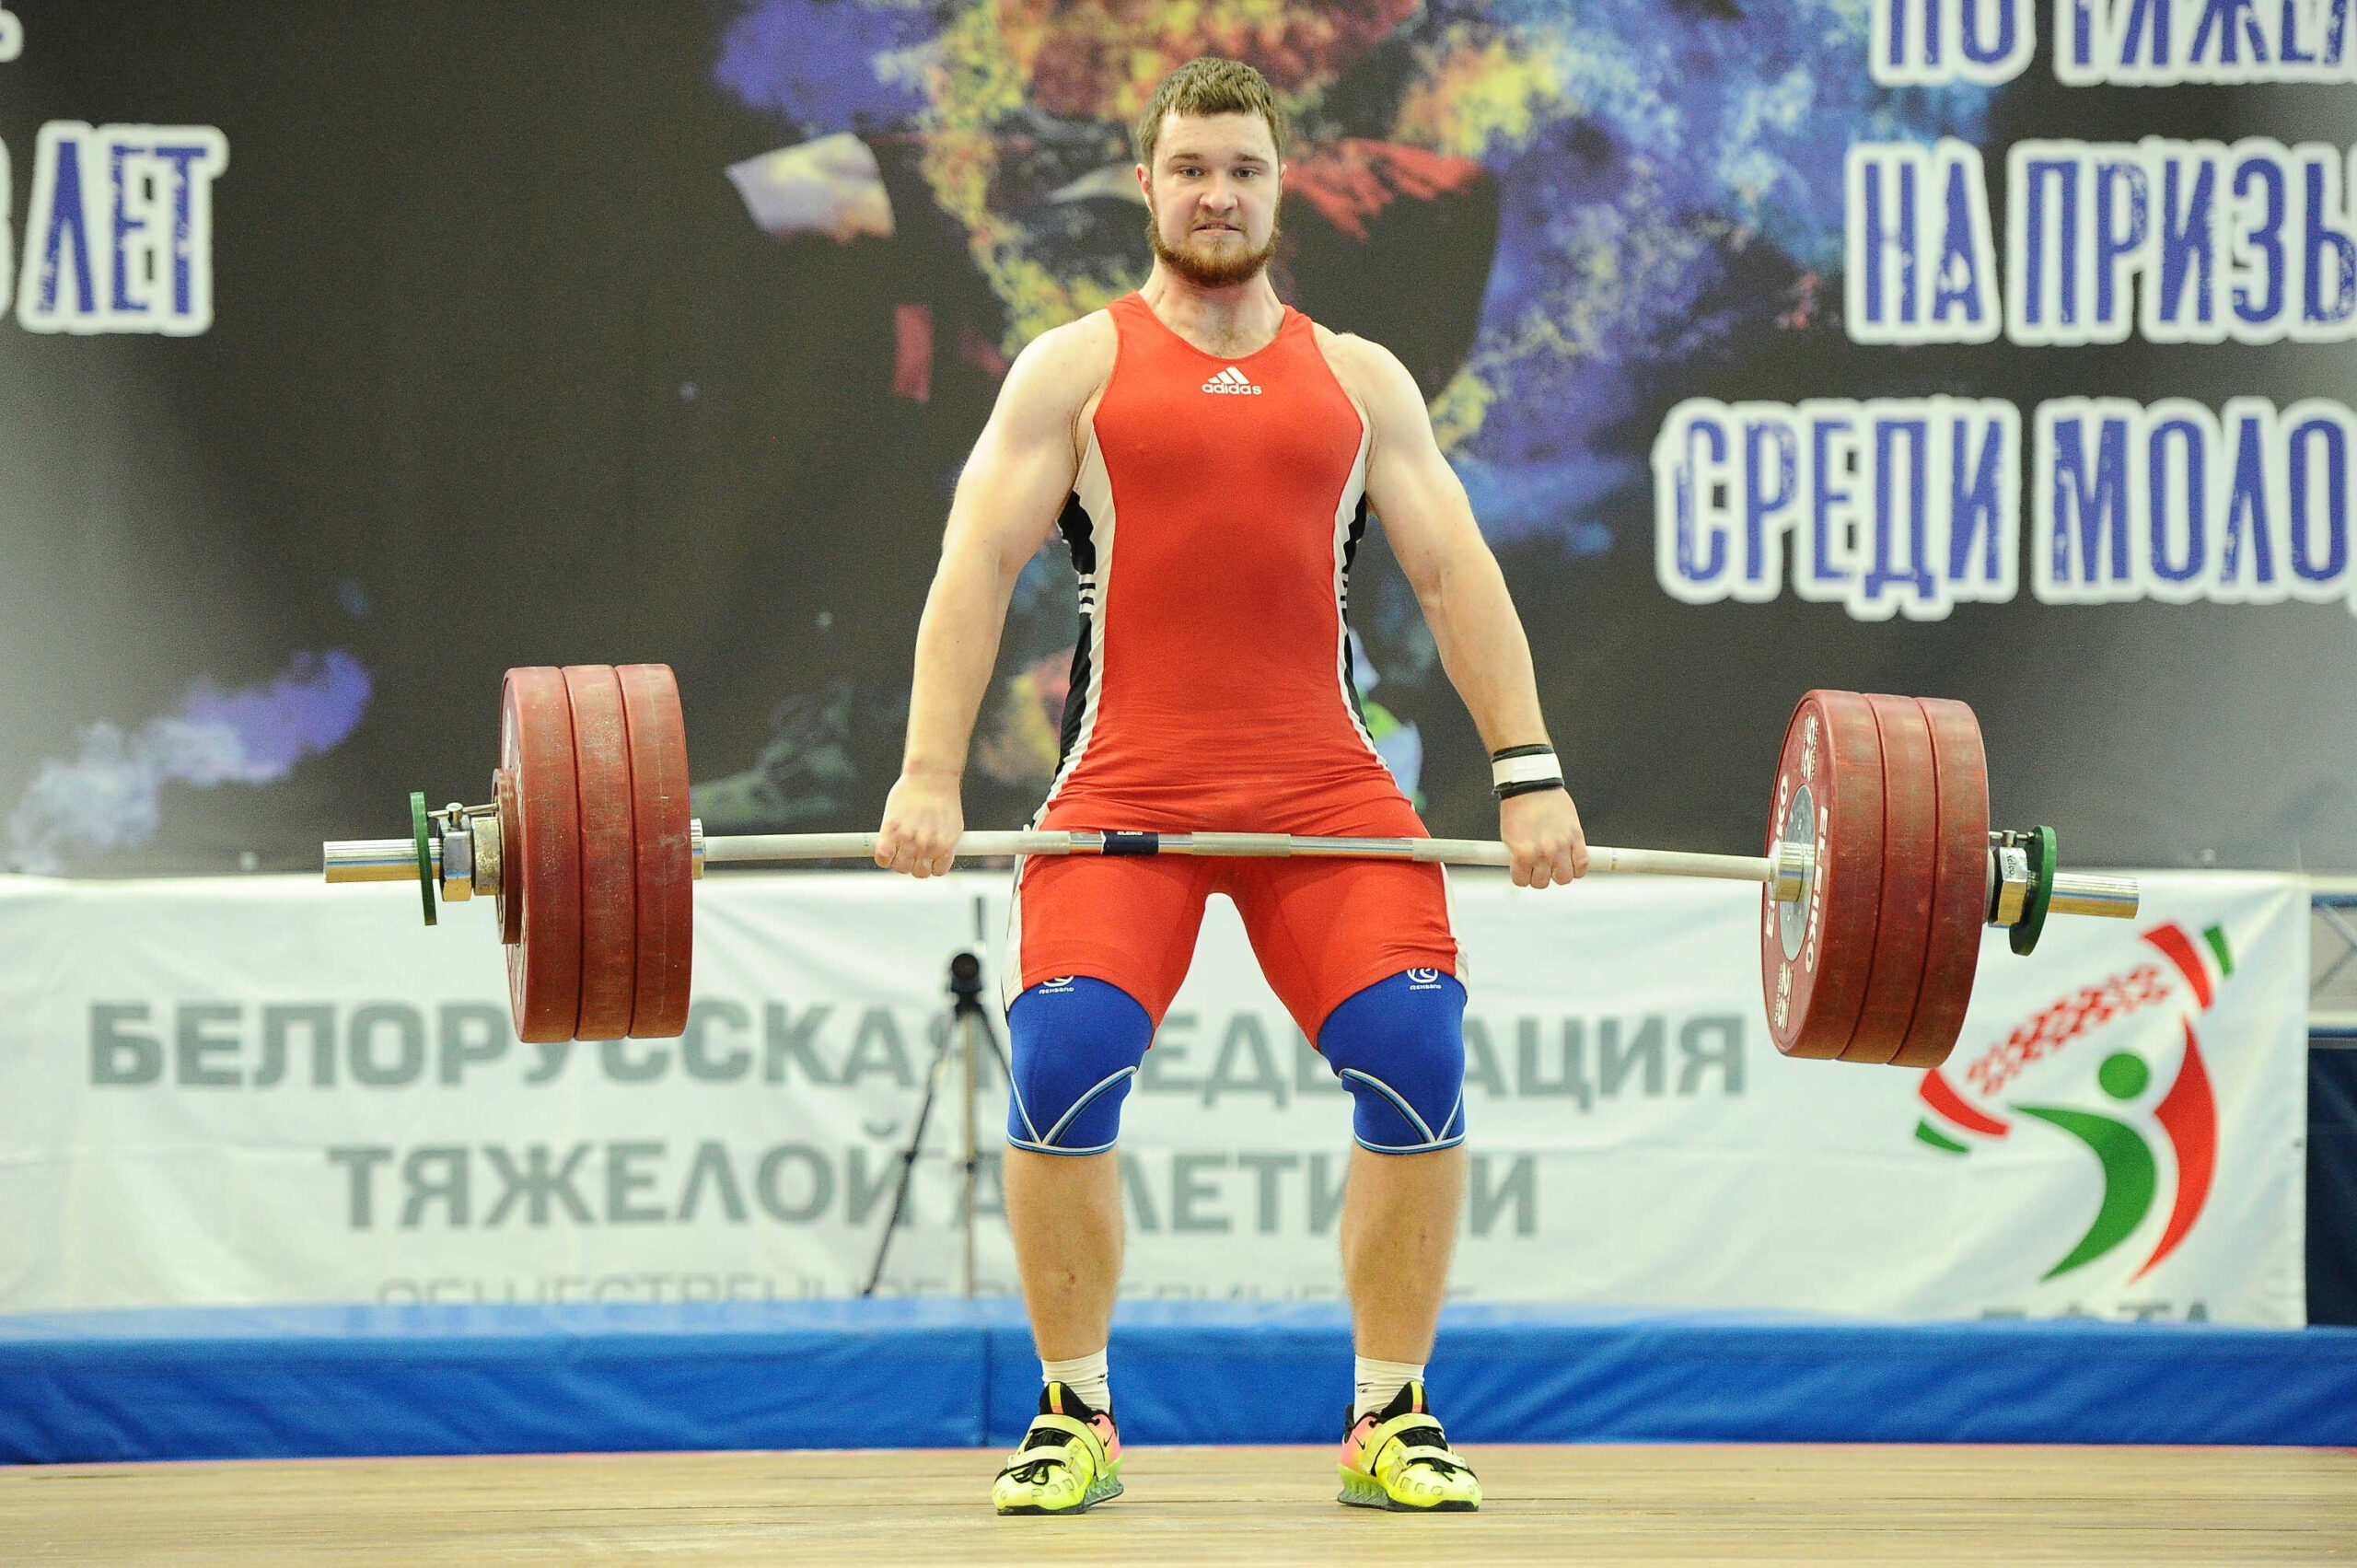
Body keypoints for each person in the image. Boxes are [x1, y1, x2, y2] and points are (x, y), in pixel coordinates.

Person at [872, 55, 1585, 1516]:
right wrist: (929, 772)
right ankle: (1074, 1415)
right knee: (1063, 1063)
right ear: (1147, 185)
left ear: (1281, 189)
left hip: (1323, 788)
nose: (1217, 194)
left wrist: (1530, 773)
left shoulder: (1359, 380)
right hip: (1125, 781)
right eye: (1191, 169)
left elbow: (1456, 577)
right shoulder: (1074, 369)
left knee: (1417, 1051)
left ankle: (1390, 1417)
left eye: (1243, 170)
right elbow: (975, 566)